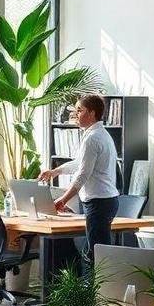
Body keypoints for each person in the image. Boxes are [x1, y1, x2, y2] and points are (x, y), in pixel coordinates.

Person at [37, 94, 120, 263]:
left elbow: (83, 174)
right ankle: (95, 288)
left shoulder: (92, 138)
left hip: (99, 202)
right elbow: (81, 163)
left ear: (92, 113)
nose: (75, 114)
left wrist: (63, 199)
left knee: (97, 255)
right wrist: (55, 172)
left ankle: (99, 289)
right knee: (95, 252)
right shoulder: (97, 135)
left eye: (79, 110)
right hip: (102, 200)